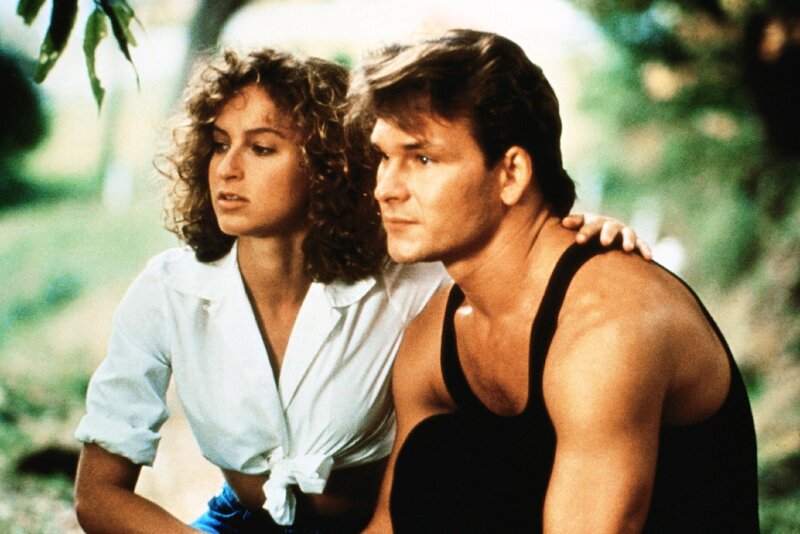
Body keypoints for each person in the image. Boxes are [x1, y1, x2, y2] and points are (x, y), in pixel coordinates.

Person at [72, 47, 647, 534]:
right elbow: (97, 495)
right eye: (220, 144)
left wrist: (585, 234)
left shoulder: (410, 282)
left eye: (262, 148)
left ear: (327, 165)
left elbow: (511, 260)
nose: (227, 169)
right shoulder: (167, 291)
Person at [351, 29, 760, 533]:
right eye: (383, 157)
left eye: (422, 158)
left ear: (511, 173)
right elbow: (389, 524)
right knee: (437, 455)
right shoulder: (433, 335)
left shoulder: (608, 323)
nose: (385, 189)